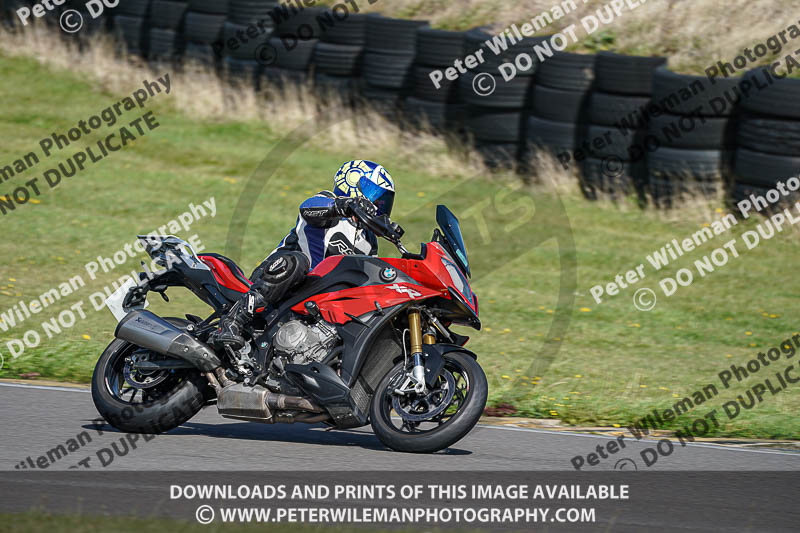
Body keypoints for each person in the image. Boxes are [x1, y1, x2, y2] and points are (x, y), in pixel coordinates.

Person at [211, 159, 396, 350]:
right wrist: (345, 205)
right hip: (279, 277)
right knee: (298, 262)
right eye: (377, 197)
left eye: (384, 201)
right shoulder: (330, 205)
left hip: (317, 297)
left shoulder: (369, 241)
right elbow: (308, 207)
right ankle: (234, 319)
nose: (380, 206)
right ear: (353, 184)